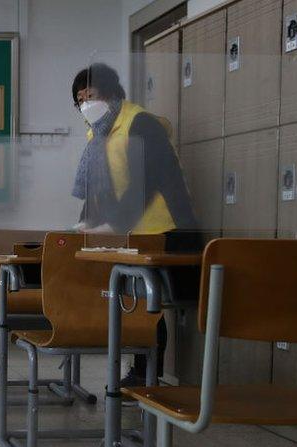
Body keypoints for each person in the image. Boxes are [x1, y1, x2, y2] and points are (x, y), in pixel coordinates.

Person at [70, 63, 199, 387]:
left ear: (112, 94)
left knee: (149, 301)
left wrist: (113, 223)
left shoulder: (139, 122)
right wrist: (88, 220)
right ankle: (142, 371)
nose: (86, 105)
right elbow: (102, 187)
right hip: (134, 231)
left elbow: (146, 179)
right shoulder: (98, 131)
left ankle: (147, 374)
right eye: (80, 100)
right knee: (137, 300)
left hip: (165, 228)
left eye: (92, 96)